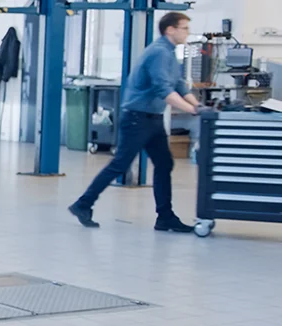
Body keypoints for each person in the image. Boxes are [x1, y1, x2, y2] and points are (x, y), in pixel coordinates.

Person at [69, 11, 201, 232]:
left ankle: (165, 217)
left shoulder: (169, 53)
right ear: (171, 29)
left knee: (164, 164)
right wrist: (192, 110)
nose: (187, 33)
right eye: (184, 28)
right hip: (138, 119)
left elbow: (177, 83)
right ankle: (83, 204)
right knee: (120, 164)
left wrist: (196, 105)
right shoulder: (158, 53)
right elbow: (163, 89)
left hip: (153, 119)